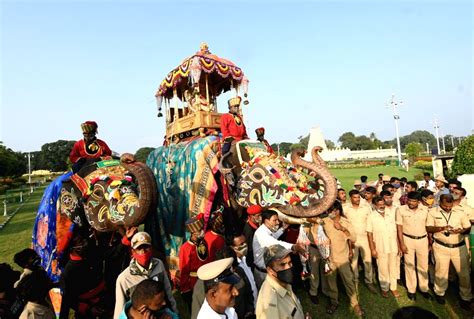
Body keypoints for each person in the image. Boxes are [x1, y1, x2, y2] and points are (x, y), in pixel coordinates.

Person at [311, 202, 364, 316]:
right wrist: (316, 224)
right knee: (331, 282)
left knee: (349, 281)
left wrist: (342, 229)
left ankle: (355, 304)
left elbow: (353, 238)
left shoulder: (345, 222)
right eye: (329, 210)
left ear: (339, 210)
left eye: (334, 210)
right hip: (329, 259)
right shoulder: (324, 221)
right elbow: (314, 234)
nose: (331, 212)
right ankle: (334, 302)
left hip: (342, 258)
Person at [114, 232, 177, 318]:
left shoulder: (159, 264)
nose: (143, 251)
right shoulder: (124, 278)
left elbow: (168, 292)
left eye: (146, 247)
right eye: (139, 248)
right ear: (133, 252)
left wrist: (174, 313)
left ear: (151, 248)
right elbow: (120, 308)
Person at [426, 194, 472, 310]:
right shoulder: (432, 212)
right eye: (445, 206)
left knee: (464, 273)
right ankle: (439, 293)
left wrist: (461, 230)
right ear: (440, 202)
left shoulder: (459, 213)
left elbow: (467, 227)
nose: (447, 208)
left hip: (459, 247)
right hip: (441, 247)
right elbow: (428, 227)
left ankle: (466, 297)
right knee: (441, 271)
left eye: (449, 206)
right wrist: (441, 228)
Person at [60, 233, 108, 319]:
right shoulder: (69, 271)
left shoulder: (90, 255)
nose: (85, 244)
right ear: (72, 248)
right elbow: (68, 300)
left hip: (104, 301)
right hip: (87, 311)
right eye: (81, 242)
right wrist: (89, 309)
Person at [252, 210, 305, 288]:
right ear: (266, 221)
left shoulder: (266, 230)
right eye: (274, 220)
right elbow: (275, 242)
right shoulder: (261, 234)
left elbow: (273, 237)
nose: (277, 222)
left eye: (278, 220)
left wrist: (283, 229)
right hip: (263, 273)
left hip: (268, 271)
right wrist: (293, 247)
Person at [396, 192, 431, 301]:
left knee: (423, 265)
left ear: (419, 201)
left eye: (414, 201)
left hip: (422, 240)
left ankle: (424, 288)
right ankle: (411, 290)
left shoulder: (425, 210)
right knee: (409, 265)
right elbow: (399, 227)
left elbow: (428, 226)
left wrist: (430, 242)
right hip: (408, 239)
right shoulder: (401, 209)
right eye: (409, 200)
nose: (411, 203)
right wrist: (401, 244)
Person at [255, 244, 305, 319]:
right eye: (282, 264)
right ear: (270, 270)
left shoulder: (283, 283)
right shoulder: (269, 305)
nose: (288, 267)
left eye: (290, 262)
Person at [343, 190, 377, 294]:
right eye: (355, 197)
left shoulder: (366, 207)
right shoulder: (345, 208)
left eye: (358, 197)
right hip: (352, 239)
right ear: (350, 198)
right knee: (353, 262)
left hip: (365, 238)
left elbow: (371, 222)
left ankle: (369, 281)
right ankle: (355, 281)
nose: (357, 199)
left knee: (367, 261)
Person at [367, 196, 400, 298]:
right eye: (379, 205)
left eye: (383, 204)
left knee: (393, 267)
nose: (382, 206)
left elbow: (396, 231)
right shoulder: (371, 216)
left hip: (393, 245)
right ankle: (384, 288)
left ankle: (393, 288)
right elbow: (369, 233)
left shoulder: (390, 214)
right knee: (383, 268)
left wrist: (399, 246)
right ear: (374, 205)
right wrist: (372, 249)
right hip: (380, 246)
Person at [179, 215, 209, 312]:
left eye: (201, 229)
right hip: (194, 282)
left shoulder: (204, 242)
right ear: (193, 233)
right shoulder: (185, 248)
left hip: (207, 280)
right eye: (199, 230)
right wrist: (185, 289)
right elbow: (184, 269)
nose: (202, 232)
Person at [231, 234, 258, 318]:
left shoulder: (246, 258)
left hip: (255, 304)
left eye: (245, 242)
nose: (244, 246)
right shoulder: (234, 268)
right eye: (241, 244)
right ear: (233, 248)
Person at [242, 205, 262, 269]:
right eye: (258, 216)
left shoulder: (256, 225)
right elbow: (250, 248)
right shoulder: (249, 230)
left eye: (260, 215)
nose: (260, 218)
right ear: (251, 216)